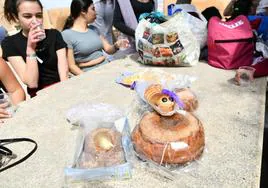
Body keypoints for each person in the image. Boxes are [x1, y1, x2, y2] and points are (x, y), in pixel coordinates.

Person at [1, 0, 69, 98]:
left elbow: (64, 73)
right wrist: (30, 48)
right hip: (39, 95)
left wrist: (65, 92)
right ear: (16, 17)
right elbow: (32, 83)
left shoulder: (54, 35)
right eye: (28, 16)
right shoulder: (10, 43)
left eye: (39, 15)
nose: (35, 21)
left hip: (62, 87)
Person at [62, 0, 129, 75]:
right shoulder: (66, 35)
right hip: (89, 73)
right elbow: (71, 66)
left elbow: (108, 49)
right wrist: (86, 77)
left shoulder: (94, 29)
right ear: (83, 11)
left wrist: (117, 45)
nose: (96, 12)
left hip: (107, 67)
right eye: (93, 9)